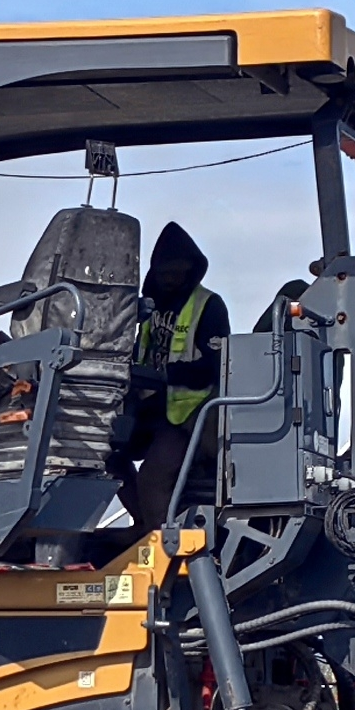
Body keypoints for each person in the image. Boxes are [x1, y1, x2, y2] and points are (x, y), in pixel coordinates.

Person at [119, 222, 230, 525]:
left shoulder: (209, 306)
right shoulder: (147, 308)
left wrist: (167, 375)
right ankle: (143, 525)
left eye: (177, 273)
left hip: (189, 414)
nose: (170, 280)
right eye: (165, 273)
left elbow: (215, 366)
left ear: (191, 271)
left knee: (153, 478)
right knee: (105, 456)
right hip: (147, 408)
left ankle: (160, 547)